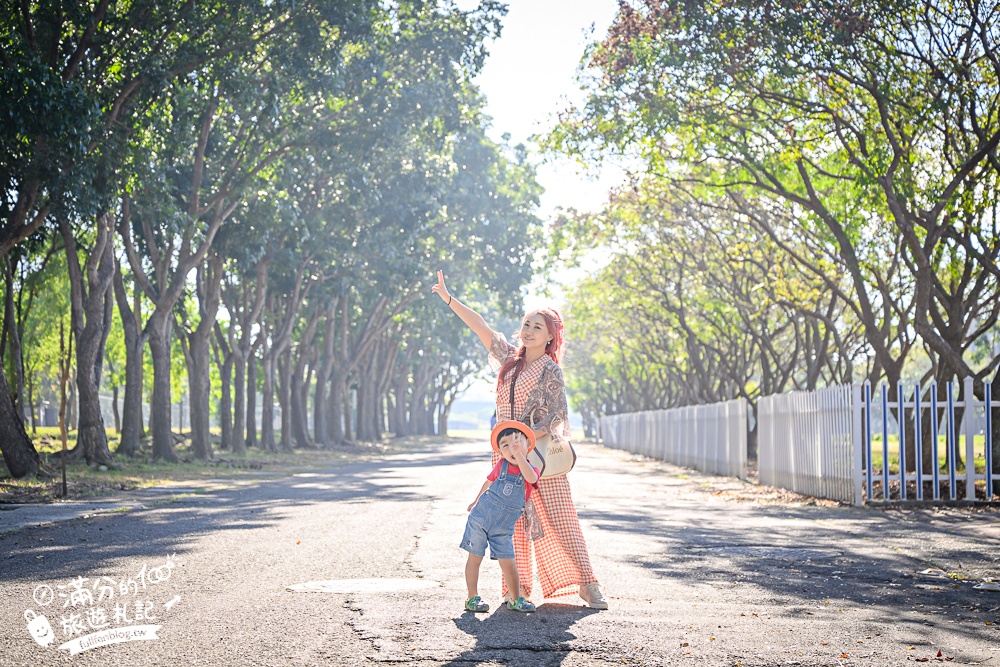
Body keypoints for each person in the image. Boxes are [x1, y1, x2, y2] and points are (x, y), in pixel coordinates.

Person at [432, 270, 609, 609]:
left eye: (537, 327)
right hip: (505, 458)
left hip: (537, 456)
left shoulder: (550, 370)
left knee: (561, 519)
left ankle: (587, 584)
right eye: (526, 324)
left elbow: (556, 415)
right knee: (509, 521)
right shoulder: (509, 360)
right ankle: (518, 590)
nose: (528, 331)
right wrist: (449, 298)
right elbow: (480, 326)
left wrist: (524, 442)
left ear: (550, 338)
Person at [461, 421, 540, 613]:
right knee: (475, 557)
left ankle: (516, 599)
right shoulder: (501, 465)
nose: (511, 446)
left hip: (503, 527)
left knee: (508, 562)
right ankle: (472, 597)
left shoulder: (532, 469)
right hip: (480, 519)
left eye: (516, 441)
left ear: (528, 445)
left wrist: (519, 455)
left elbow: (531, 478)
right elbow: (489, 482)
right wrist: (475, 500)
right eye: (505, 445)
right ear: (501, 452)